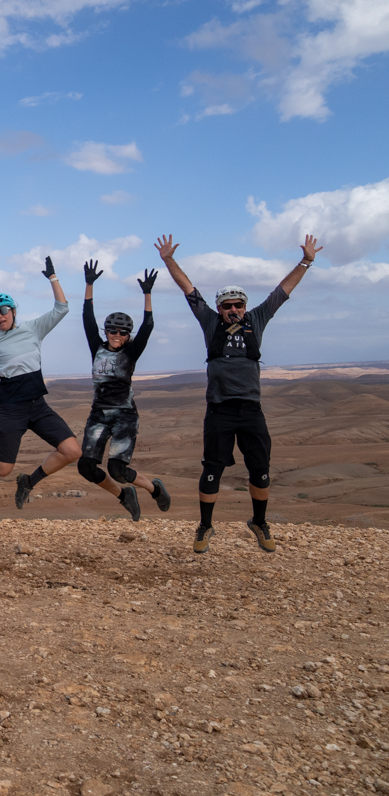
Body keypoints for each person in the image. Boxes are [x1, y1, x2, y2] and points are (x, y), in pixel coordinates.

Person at [156, 232, 321, 554]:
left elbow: (281, 292)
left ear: (245, 306)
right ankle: (205, 526)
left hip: (251, 409)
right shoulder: (209, 321)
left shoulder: (257, 318)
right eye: (228, 305)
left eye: (239, 304)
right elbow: (188, 290)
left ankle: (259, 522)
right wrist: (168, 260)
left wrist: (306, 261)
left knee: (260, 470)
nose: (234, 309)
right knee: (212, 470)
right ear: (218, 308)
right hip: (219, 409)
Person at [0, 257, 80, 509]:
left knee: (72, 451)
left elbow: (62, 308)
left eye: (3, 311)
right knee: (1, 469)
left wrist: (53, 278)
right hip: (11, 411)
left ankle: (29, 482)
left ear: (13, 311)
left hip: (38, 405)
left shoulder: (33, 329)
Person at [77, 261, 170, 521]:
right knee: (86, 467)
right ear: (105, 332)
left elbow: (148, 326)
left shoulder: (131, 352)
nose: (116, 334)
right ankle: (124, 496)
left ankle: (154, 488)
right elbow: (86, 317)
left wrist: (147, 294)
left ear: (129, 335)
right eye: (112, 330)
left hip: (124, 414)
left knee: (117, 469)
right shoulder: (97, 346)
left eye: (122, 332)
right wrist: (89, 285)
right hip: (98, 414)